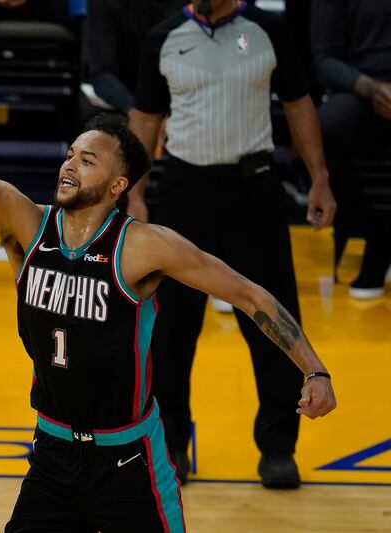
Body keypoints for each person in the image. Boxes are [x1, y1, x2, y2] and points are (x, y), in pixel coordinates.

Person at [0, 54, 337, 531]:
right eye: (69, 154)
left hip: (130, 460)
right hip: (51, 452)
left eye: (88, 160)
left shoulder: (142, 247)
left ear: (118, 185)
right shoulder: (25, 225)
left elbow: (251, 296)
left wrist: (312, 369)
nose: (69, 165)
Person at [126, 0, 337, 488]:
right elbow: (144, 117)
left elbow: (299, 103)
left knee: (272, 319)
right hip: (183, 192)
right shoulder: (164, 36)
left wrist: (320, 179)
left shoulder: (269, 30)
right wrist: (134, 192)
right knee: (172, 330)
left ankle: (279, 447)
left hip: (254, 191)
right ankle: (173, 444)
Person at [312, 0, 391, 299]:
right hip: (362, 89)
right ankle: (378, 237)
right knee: (319, 132)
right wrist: (370, 88)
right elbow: (323, 59)